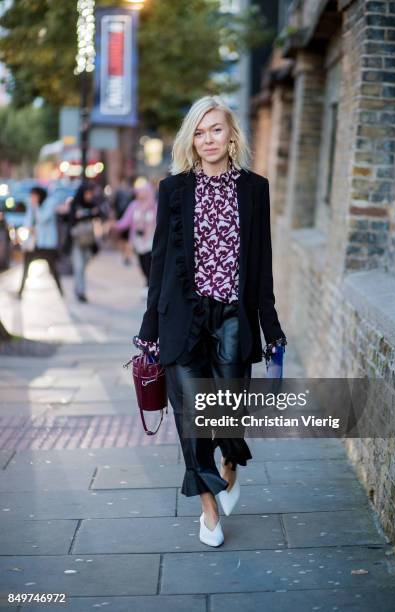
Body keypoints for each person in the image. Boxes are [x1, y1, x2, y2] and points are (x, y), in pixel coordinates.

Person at [133, 95, 286, 547]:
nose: (207, 140)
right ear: (190, 140)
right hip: (182, 317)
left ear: (231, 134)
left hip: (233, 316)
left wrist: (271, 326)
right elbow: (159, 262)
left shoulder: (254, 189)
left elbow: (262, 263)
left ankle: (230, 466)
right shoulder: (174, 189)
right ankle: (208, 508)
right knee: (191, 419)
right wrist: (148, 331)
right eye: (199, 133)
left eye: (215, 129)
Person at [112, 180, 157, 298]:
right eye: (138, 192)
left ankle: (149, 286)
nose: (139, 194)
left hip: (151, 242)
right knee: (142, 264)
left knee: (149, 265)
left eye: (142, 192)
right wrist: (114, 225)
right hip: (138, 242)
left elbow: (161, 224)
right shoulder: (133, 205)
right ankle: (148, 285)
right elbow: (125, 222)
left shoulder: (155, 207)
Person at [17, 186, 63, 299]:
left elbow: (42, 218)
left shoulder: (49, 204)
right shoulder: (32, 205)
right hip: (34, 243)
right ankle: (20, 291)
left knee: (53, 268)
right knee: (26, 266)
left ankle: (61, 291)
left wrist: (35, 206)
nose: (32, 198)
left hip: (47, 244)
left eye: (34, 196)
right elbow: (27, 222)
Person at [68, 182, 102, 303]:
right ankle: (80, 290)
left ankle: (79, 287)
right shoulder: (75, 204)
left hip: (88, 241)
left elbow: (99, 214)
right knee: (78, 266)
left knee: (84, 264)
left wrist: (86, 214)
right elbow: (71, 219)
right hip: (77, 241)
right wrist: (87, 214)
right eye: (87, 193)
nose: (89, 196)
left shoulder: (92, 204)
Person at [112, 178, 135, 265]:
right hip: (129, 218)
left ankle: (125, 255)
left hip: (121, 218)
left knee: (122, 239)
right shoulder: (131, 192)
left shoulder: (118, 191)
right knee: (127, 239)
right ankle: (126, 255)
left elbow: (113, 205)